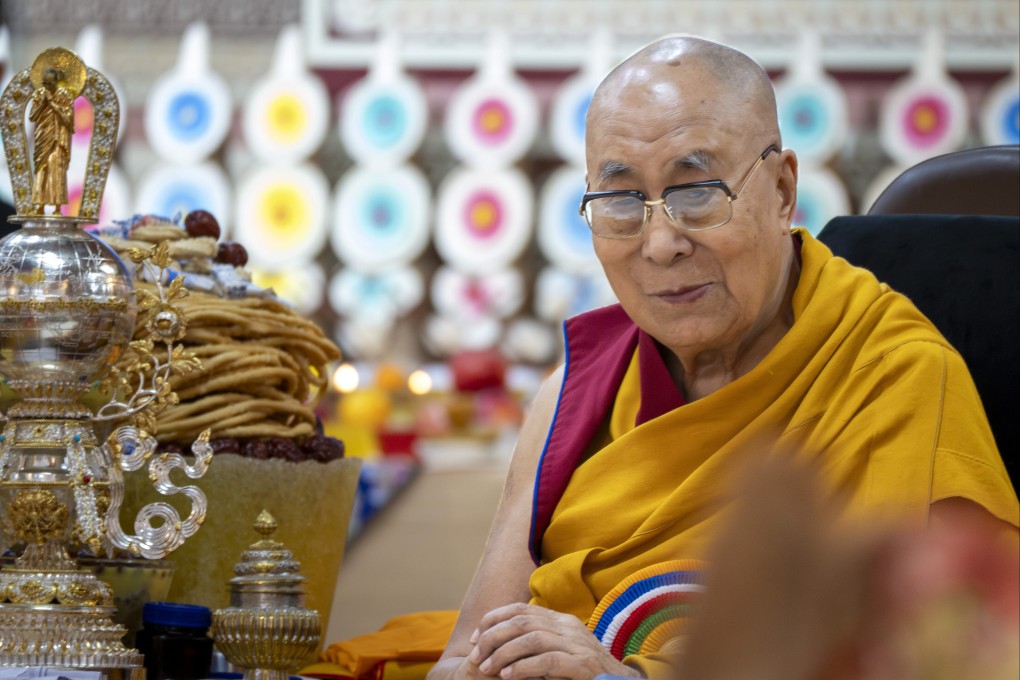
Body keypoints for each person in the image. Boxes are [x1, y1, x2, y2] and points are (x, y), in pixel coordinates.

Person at [415, 35, 1016, 679]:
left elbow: (934, 658)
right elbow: (463, 658)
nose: (661, 243)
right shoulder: (579, 389)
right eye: (620, 202)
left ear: (783, 190)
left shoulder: (895, 375)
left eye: (696, 190)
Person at [29, 67, 74, 213]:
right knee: (42, 168)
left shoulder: (65, 96)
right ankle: (40, 205)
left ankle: (57, 207)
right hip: (43, 135)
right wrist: (42, 104)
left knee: (56, 168)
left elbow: (68, 120)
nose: (47, 86)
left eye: (50, 83)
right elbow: (32, 117)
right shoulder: (39, 94)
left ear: (56, 81)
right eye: (44, 83)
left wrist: (53, 104)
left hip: (58, 137)